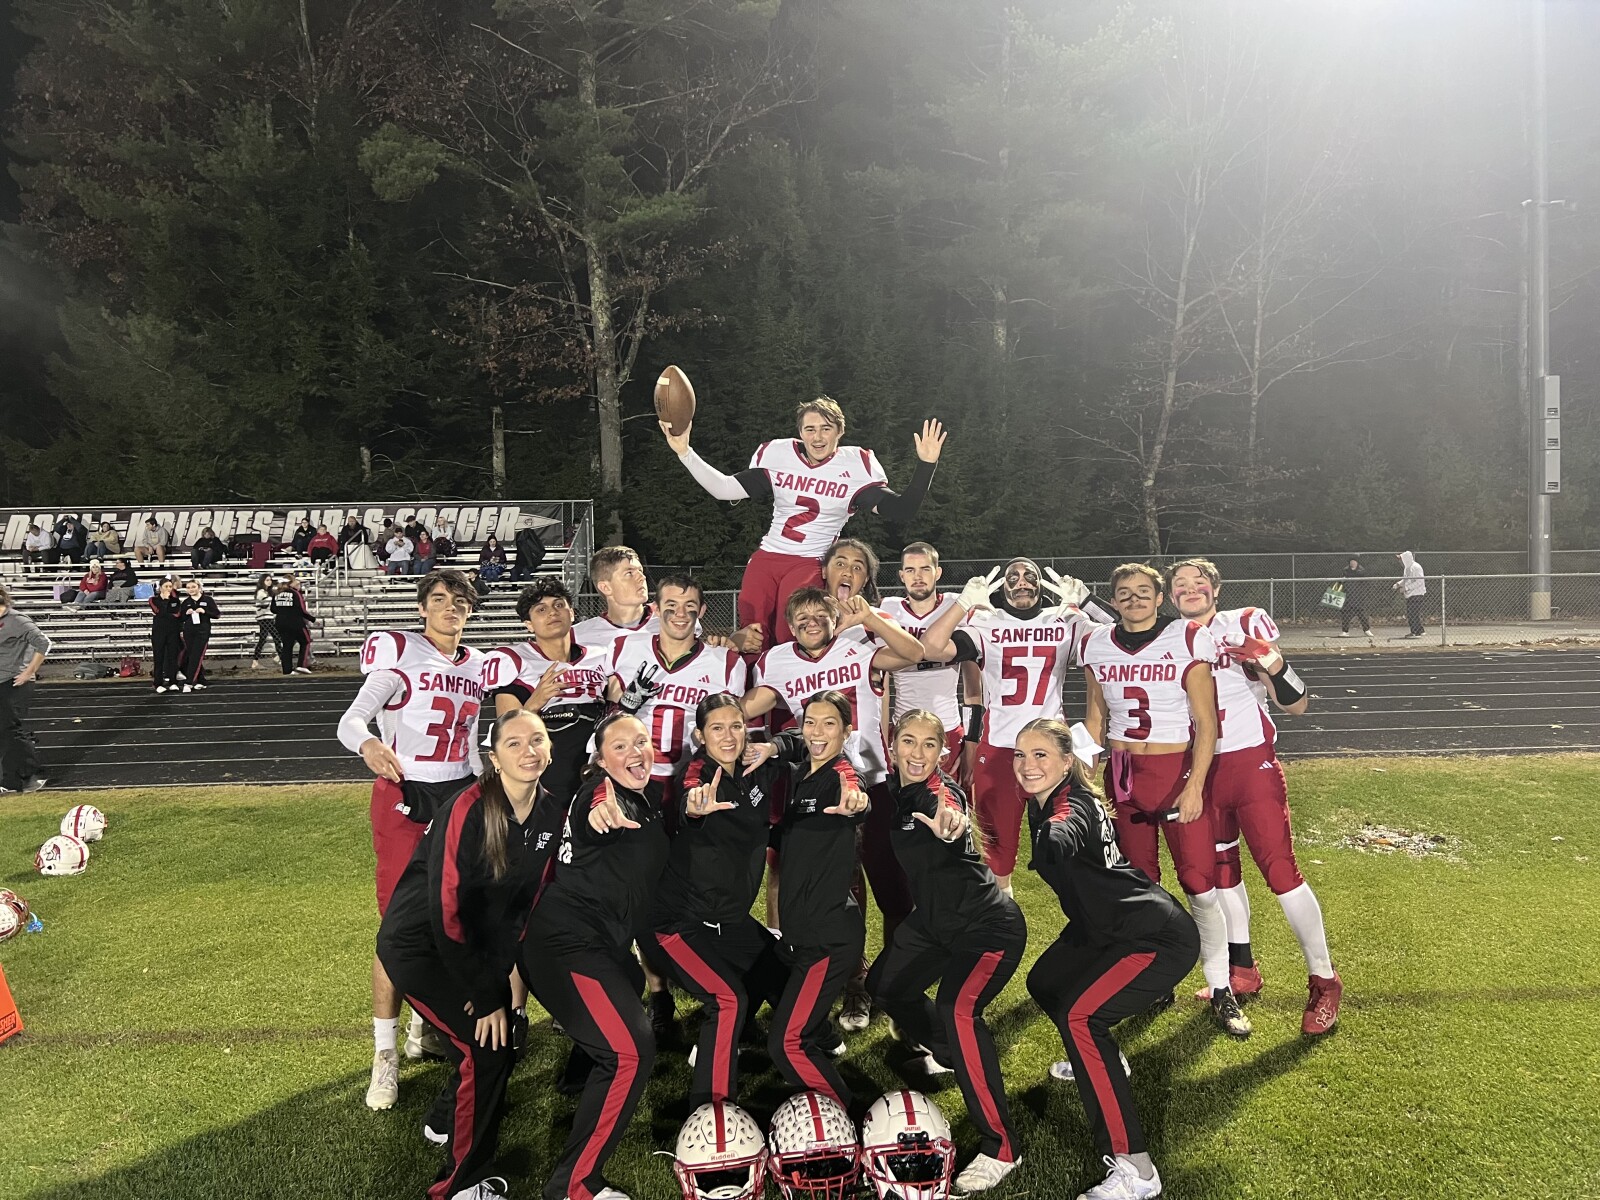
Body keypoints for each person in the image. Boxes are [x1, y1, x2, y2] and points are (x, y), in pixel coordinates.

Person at [377, 710, 567, 1200]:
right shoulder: (468, 808)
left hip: (473, 948)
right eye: (514, 744)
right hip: (420, 946)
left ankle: (446, 1120)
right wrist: (482, 993)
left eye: (537, 740)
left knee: (500, 1040)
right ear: (493, 758)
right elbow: (445, 911)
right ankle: (459, 1185)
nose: (528, 751)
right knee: (486, 1046)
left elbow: (523, 902)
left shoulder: (550, 810)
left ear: (550, 749)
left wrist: (497, 976)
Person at [1018, 718, 1199, 1200]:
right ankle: (1107, 1058)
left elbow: (1066, 830)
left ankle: (1137, 1169)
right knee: (1046, 983)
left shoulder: (1068, 806)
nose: (1028, 765)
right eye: (1021, 754)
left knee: (1081, 1018)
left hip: (1152, 938)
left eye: (1040, 755)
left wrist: (1052, 840)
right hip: (1104, 930)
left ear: (1065, 762)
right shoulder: (1050, 798)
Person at [1166, 559, 1342, 1033]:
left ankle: (1325, 980)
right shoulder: (1170, 638)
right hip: (1200, 769)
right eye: (1180, 584)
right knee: (1222, 873)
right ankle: (1241, 969)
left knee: (1281, 872)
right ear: (1170, 596)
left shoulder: (1243, 622)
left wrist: (1271, 661)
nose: (1190, 589)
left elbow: (1296, 704)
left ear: (1215, 589)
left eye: (1198, 582)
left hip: (1251, 765)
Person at [742, 582, 924, 1031]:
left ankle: (894, 981)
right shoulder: (777, 661)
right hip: (819, 788)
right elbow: (745, 707)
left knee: (891, 886)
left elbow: (914, 652)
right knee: (842, 891)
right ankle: (856, 980)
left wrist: (869, 619)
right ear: (789, 625)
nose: (811, 623)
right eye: (801, 617)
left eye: (819, 615)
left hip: (872, 780)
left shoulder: (855, 646)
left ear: (833, 618)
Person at [337, 569, 487, 1111]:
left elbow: (470, 741)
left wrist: (484, 789)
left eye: (460, 601)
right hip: (406, 794)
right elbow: (351, 720)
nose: (450, 608)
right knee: (397, 929)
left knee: (453, 917)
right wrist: (368, 746)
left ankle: (427, 1022)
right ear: (422, 608)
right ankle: (385, 1053)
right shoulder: (400, 651)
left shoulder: (476, 664)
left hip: (458, 793)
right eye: (439, 599)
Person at [865, 710, 1027, 1194]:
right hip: (934, 923)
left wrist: (952, 828)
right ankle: (949, 1053)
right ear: (893, 746)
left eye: (929, 744)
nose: (917, 753)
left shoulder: (938, 794)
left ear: (943, 751)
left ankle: (1002, 1146)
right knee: (884, 986)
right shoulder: (895, 792)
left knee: (959, 1011)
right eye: (908, 742)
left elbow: (950, 819)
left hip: (986, 928)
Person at [1078, 564, 1243, 1038]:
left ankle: (1221, 985)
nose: (1134, 600)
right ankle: (1156, 980)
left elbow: (1207, 722)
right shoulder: (1097, 643)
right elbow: (1095, 718)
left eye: (1143, 592)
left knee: (1199, 885)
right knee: (1141, 886)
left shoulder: (1186, 637)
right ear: (1113, 600)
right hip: (1123, 774)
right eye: (1124, 593)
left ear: (1158, 597)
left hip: (1176, 771)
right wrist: (1086, 776)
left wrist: (1195, 786)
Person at [520, 713, 669, 1200]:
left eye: (641, 742)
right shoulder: (598, 794)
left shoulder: (647, 799)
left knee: (628, 983)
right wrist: (602, 806)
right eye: (619, 747)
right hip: (565, 946)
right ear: (600, 760)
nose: (635, 752)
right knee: (631, 1051)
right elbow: (595, 808)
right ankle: (574, 1186)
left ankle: (577, 1076)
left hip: (600, 945)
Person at [662, 398, 946, 646]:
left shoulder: (856, 465)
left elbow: (902, 509)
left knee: (790, 635)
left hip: (810, 562)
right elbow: (725, 489)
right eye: (810, 429)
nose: (817, 436)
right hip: (767, 557)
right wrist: (684, 452)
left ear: (840, 431)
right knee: (752, 635)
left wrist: (926, 465)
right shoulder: (779, 455)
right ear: (800, 432)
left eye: (826, 428)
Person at [918, 557, 1108, 896]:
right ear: (1003, 587)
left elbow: (1126, 633)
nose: (1022, 581)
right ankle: (1001, 920)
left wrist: (1086, 602)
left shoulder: (1064, 619)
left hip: (1053, 751)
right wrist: (963, 604)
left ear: (1039, 584)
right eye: (1013, 576)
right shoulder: (985, 622)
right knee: (996, 855)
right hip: (1001, 749)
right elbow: (930, 647)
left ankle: (1086, 918)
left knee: (1073, 851)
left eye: (1029, 575)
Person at [649, 693, 789, 1109]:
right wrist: (695, 809)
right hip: (678, 922)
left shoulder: (757, 763)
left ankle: (727, 1046)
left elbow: (806, 742)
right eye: (716, 728)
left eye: (736, 726)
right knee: (728, 1000)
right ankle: (710, 1113)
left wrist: (775, 746)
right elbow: (689, 802)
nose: (728, 737)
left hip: (726, 917)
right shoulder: (697, 776)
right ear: (700, 736)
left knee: (781, 971)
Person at [744, 691, 871, 1108]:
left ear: (846, 731)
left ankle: (848, 1116)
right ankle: (824, 1037)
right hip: (801, 934)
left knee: (787, 1045)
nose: (817, 732)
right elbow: (795, 743)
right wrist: (772, 747)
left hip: (825, 940)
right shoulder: (804, 770)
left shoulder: (839, 776)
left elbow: (855, 790)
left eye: (829, 724)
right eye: (810, 722)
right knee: (758, 969)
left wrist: (857, 799)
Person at [482, 578, 621, 806]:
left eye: (559, 605)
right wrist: (535, 701)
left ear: (572, 613)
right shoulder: (515, 660)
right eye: (541, 609)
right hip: (549, 763)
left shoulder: (602, 656)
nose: (552, 613)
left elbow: (615, 705)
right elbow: (506, 732)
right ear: (529, 624)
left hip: (597, 757)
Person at [882, 542, 967, 783]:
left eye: (925, 569)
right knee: (903, 799)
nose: (917, 577)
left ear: (937, 572)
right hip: (903, 725)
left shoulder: (957, 606)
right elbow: (882, 684)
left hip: (948, 726)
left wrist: (971, 741)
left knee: (948, 800)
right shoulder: (888, 609)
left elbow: (974, 683)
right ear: (901, 575)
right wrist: (883, 737)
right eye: (910, 570)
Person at [0, 582, 50, 795]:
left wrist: (29, 671)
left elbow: (44, 643)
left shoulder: (16, 620)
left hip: (14, 682)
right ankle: (20, 773)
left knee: (9, 730)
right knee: (7, 730)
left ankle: (23, 778)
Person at [176, 578, 220, 692]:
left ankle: (189, 682)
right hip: (189, 632)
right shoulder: (186, 602)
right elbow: (181, 618)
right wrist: (186, 613)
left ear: (199, 587)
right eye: (188, 588)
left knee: (196, 656)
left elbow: (217, 614)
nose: (191, 589)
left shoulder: (208, 600)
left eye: (193, 587)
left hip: (202, 632)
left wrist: (205, 612)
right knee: (191, 656)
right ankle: (200, 680)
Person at [272, 575, 315, 675]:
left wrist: (283, 611)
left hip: (280, 622)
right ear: (291, 583)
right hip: (295, 622)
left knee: (287, 645)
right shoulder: (295, 593)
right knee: (306, 641)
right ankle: (302, 665)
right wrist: (312, 619)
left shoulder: (277, 593)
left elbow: (273, 609)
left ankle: (287, 670)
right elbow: (302, 610)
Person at [149, 578, 184, 694]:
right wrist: (165, 603)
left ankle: (173, 682)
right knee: (159, 658)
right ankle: (158, 683)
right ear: (160, 588)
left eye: (170, 586)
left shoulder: (175, 600)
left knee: (172, 657)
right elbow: (158, 611)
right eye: (166, 586)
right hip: (159, 632)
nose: (168, 589)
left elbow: (177, 614)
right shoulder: (153, 599)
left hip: (173, 631)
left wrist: (167, 606)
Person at [249, 575, 281, 670]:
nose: (269, 581)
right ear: (262, 581)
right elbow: (262, 604)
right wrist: (273, 598)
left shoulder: (268, 592)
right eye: (267, 580)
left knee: (263, 639)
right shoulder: (261, 592)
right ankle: (280, 657)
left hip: (268, 617)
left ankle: (255, 661)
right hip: (264, 618)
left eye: (270, 580)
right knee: (276, 636)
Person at [1340, 557, 1373, 639]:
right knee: (1346, 614)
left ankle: (1366, 630)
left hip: (1359, 596)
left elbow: (1365, 581)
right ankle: (1345, 631)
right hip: (1349, 595)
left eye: (1354, 561)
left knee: (1362, 614)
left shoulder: (1361, 570)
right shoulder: (1346, 570)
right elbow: (1342, 580)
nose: (1352, 563)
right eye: (1351, 561)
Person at [1395, 550, 1426, 637]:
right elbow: (1406, 579)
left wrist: (1406, 588)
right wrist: (1398, 584)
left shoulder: (1416, 567)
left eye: (1401, 559)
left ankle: (1415, 632)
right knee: (1413, 613)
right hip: (1411, 594)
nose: (1400, 562)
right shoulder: (1407, 568)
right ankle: (1420, 630)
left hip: (1417, 594)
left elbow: (1419, 581)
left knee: (1413, 613)